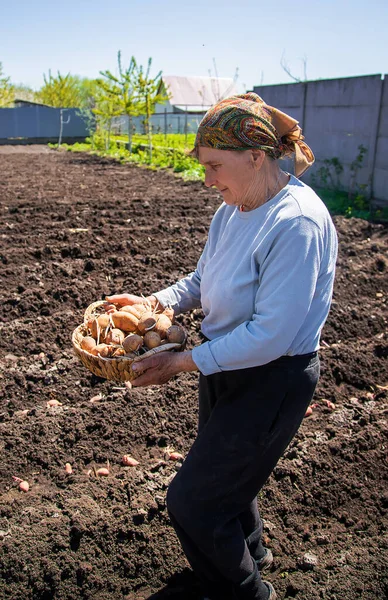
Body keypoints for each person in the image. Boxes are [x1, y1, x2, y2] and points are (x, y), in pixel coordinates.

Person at [106, 93, 338, 600]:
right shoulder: (233, 209)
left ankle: (246, 593)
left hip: (271, 377)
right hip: (224, 363)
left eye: (214, 166)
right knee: (229, 480)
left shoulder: (294, 222)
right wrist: (154, 301)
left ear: (256, 157)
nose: (207, 180)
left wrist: (182, 362)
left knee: (194, 502)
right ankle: (251, 552)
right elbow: (202, 280)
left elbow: (272, 336)